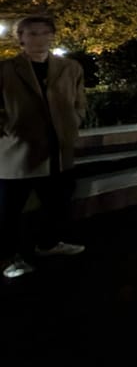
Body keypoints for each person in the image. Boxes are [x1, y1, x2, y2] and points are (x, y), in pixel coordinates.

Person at [0, 15, 87, 279]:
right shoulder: (5, 69)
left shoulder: (70, 68)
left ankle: (48, 244)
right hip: (17, 151)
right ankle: (7, 258)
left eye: (44, 33)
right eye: (32, 33)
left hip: (58, 150)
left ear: (52, 36)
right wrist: (7, 129)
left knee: (57, 203)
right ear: (21, 38)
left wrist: (74, 121)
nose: (39, 38)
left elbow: (79, 101)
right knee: (8, 211)